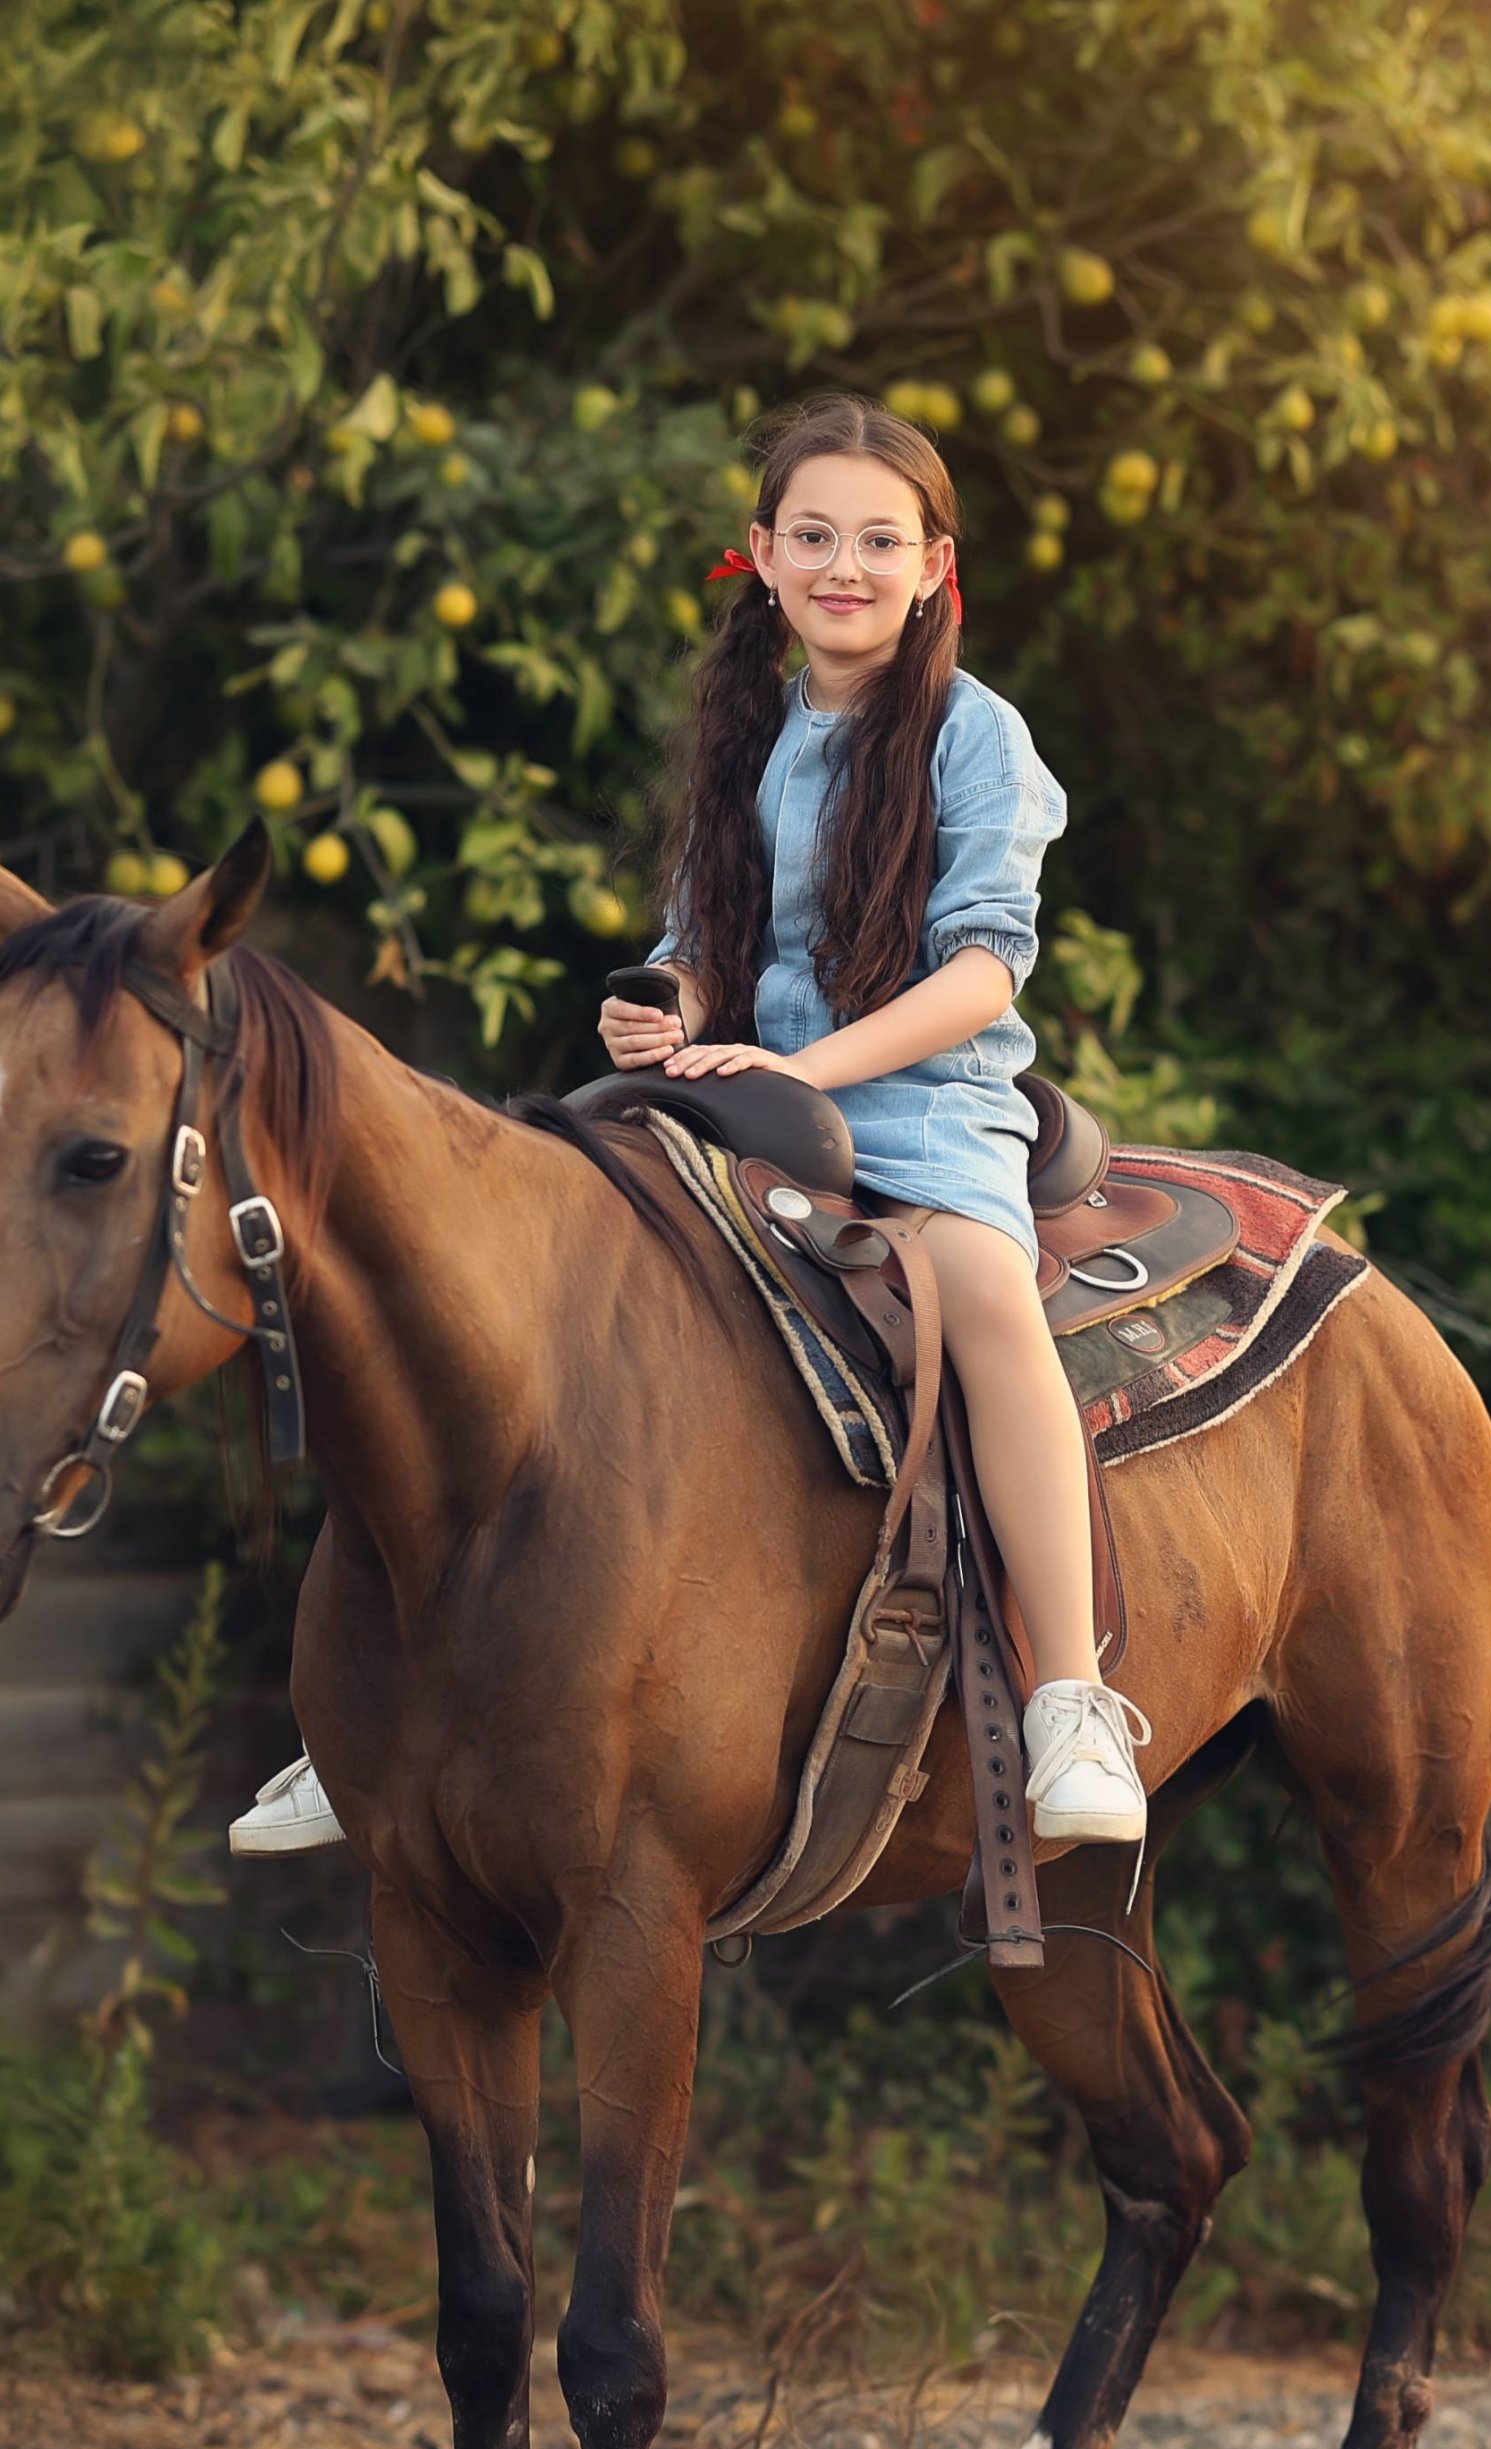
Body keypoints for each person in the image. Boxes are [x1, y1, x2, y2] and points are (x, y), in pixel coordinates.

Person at [232, 393, 1150, 1854]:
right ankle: (358, 1720)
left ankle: (1070, 1696)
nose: (845, 564)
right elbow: (708, 932)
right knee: (511, 1295)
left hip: (920, 1097)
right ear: (763, 558)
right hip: (736, 1094)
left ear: (933, 566)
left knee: (981, 1291)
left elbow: (983, 969)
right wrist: (666, 1002)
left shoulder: (980, 739)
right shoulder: (752, 731)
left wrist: (813, 1065)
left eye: (878, 539)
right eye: (814, 536)